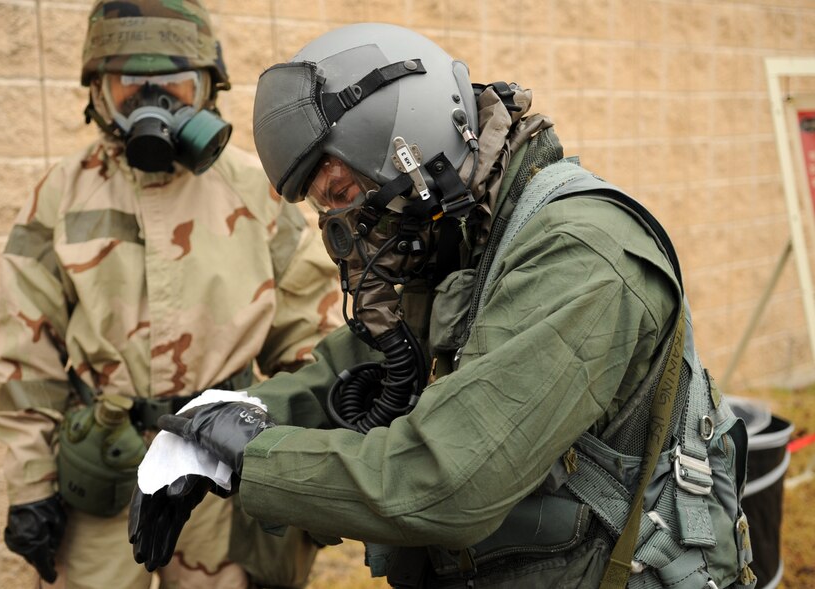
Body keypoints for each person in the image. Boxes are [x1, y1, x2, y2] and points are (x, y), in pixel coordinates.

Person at [128, 23, 757, 589]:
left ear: (408, 146)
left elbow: (449, 481)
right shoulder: (467, 238)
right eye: (326, 207)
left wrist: (254, 459)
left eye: (343, 192)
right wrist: (214, 426)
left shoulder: (581, 256)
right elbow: (369, 359)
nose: (343, 228)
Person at [0, 1, 341, 587]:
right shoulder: (61, 196)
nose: (152, 101)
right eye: (129, 83)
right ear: (97, 92)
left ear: (209, 88)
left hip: (221, 471)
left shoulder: (254, 190)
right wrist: (31, 487)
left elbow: (311, 337)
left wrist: (300, 461)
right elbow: (26, 357)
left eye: (175, 82)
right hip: (101, 467)